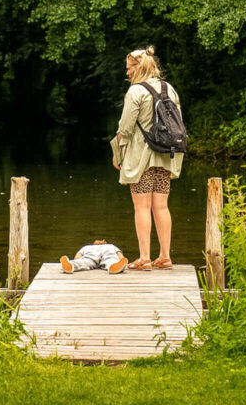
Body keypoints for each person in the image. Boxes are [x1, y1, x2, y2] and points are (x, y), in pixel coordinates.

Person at [114, 46, 183, 271]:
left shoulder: (135, 92)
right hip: (165, 155)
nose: (127, 73)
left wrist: (118, 153)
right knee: (161, 206)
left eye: (129, 68)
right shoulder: (169, 89)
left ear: (138, 68)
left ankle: (144, 258)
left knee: (141, 207)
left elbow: (125, 128)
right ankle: (164, 256)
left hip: (141, 157)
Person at [60, 240, 128, 274]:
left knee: (84, 261)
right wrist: (121, 260)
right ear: (105, 243)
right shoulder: (110, 246)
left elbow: (77, 257)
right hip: (107, 251)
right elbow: (120, 255)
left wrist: (76, 260)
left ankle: (71, 265)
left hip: (91, 254)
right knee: (110, 259)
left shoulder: (87, 247)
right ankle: (113, 266)